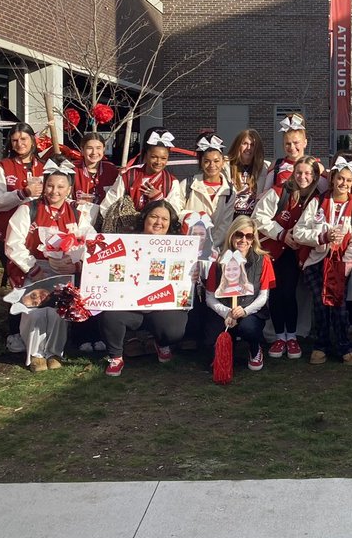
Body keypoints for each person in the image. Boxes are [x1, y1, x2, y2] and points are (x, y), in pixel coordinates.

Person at [5, 165, 91, 370]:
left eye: (61, 187)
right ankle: (35, 353)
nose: (55, 191)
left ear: (69, 189)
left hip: (63, 270)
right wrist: (33, 269)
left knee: (57, 310)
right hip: (32, 267)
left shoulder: (77, 213)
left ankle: (54, 352)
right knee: (34, 310)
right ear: (44, 186)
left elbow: (89, 241)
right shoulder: (28, 209)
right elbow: (13, 243)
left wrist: (75, 262)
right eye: (50, 186)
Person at [292, 156, 352, 365]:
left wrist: (343, 266)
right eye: (340, 178)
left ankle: (344, 345)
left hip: (340, 264)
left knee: (338, 305)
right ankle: (321, 345)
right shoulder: (318, 202)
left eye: (348, 180)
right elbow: (298, 232)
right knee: (320, 303)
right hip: (315, 261)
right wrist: (322, 237)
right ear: (332, 178)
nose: (343, 183)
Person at [101, 200, 190, 376]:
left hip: (161, 306)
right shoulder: (125, 241)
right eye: (154, 217)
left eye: (164, 219)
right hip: (128, 305)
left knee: (174, 330)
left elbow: (185, 278)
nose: (159, 222)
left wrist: (190, 275)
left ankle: (162, 344)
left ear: (170, 223)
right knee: (109, 315)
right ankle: (116, 357)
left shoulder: (179, 247)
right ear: (144, 218)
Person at [254, 156, 321, 360]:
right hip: (274, 250)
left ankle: (291, 336)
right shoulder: (279, 191)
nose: (303, 177)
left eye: (308, 173)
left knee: (290, 293)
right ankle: (279, 337)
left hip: (295, 253)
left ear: (315, 176)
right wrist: (281, 234)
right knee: (275, 293)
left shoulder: (316, 198)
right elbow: (258, 217)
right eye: (299, 172)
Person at [204, 216, 277, 373]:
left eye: (249, 236)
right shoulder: (218, 261)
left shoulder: (263, 260)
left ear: (253, 239)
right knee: (211, 345)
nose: (243, 240)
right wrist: (226, 312)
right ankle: (227, 347)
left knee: (248, 328)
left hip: (250, 311)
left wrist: (244, 311)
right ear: (231, 235)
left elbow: (263, 296)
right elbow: (209, 296)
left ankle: (255, 348)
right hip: (224, 311)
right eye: (239, 235)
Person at [0, 122, 45, 278]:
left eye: (23, 139)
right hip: (8, 235)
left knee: (41, 281)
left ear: (32, 140)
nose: (19, 144)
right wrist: (22, 194)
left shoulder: (45, 167)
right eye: (15, 140)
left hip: (38, 236)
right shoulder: (2, 167)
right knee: (17, 281)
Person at [98, 130, 185, 231]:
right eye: (154, 157)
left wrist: (159, 199)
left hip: (157, 232)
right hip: (127, 232)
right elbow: (108, 205)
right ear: (145, 155)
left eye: (163, 158)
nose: (158, 162)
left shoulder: (171, 182)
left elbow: (175, 213)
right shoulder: (129, 176)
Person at [183, 133, 235, 246]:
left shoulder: (230, 190)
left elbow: (225, 225)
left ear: (223, 161)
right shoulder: (187, 184)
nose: (212, 165)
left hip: (217, 248)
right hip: (189, 245)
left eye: (216, 161)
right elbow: (176, 212)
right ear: (201, 162)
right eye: (207, 161)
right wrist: (191, 217)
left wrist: (211, 246)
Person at [74, 133, 120, 208]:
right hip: (78, 213)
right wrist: (75, 203)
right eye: (89, 148)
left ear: (103, 150)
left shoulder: (111, 169)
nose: (94, 152)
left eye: (98, 148)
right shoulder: (73, 169)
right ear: (82, 150)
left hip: (105, 213)